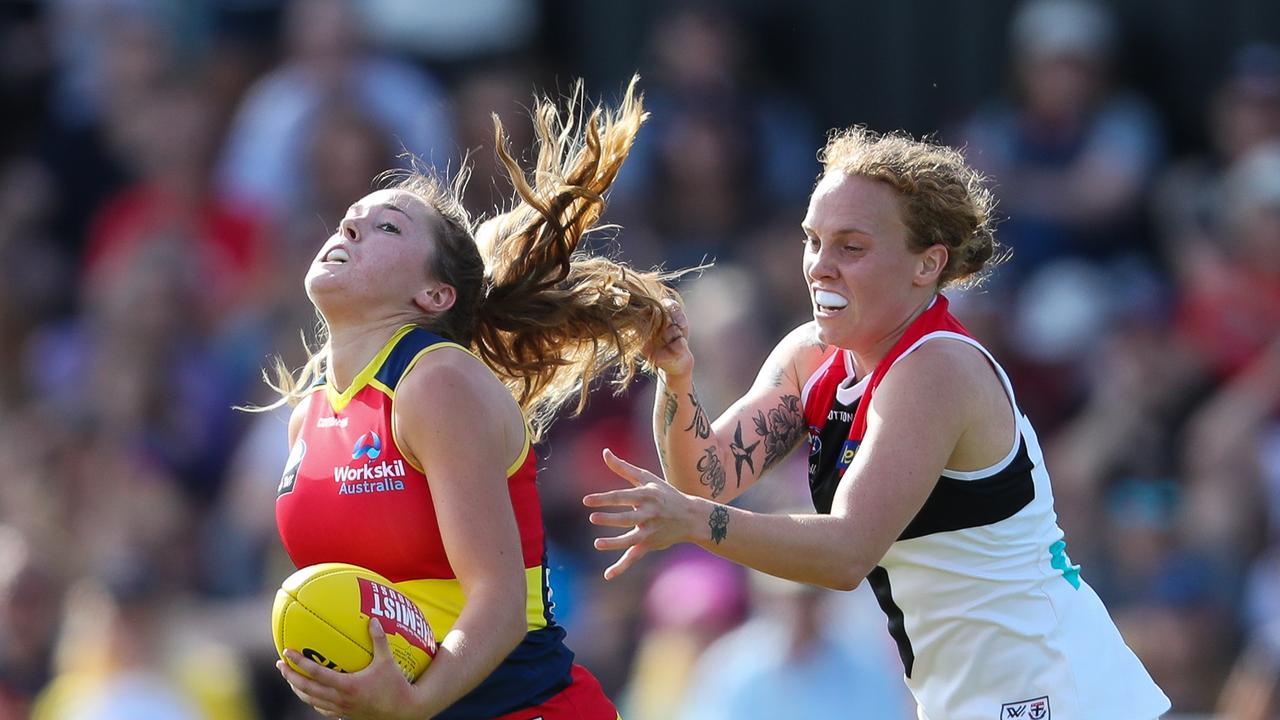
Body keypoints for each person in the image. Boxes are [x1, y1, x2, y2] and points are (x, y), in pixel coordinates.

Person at [585, 126, 1172, 719]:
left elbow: (847, 552)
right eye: (813, 241)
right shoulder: (811, 355)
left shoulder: (936, 368)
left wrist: (691, 522)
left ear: (928, 264)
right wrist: (677, 377)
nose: (819, 267)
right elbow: (706, 479)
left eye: (851, 247)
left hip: (1058, 695)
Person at [265, 79, 671, 719]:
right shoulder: (306, 419)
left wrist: (409, 704)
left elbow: (500, 606)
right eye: (352, 216)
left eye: (386, 226)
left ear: (434, 296)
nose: (349, 223)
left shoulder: (434, 381)